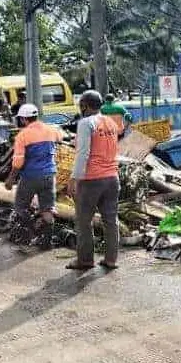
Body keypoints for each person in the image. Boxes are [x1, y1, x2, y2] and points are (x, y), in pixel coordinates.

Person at [66, 90, 121, 270]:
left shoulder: (85, 123)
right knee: (111, 221)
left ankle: (85, 260)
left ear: (84, 106)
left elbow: (83, 153)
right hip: (112, 177)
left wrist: (74, 178)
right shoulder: (111, 123)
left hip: (91, 179)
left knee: (83, 221)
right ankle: (111, 259)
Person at [5, 104, 63, 248]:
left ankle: (31, 231)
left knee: (20, 207)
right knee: (47, 209)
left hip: (30, 176)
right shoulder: (51, 130)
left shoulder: (23, 135)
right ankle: (46, 241)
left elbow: (18, 162)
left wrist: (11, 178)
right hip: (49, 175)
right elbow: (61, 139)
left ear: (24, 119)